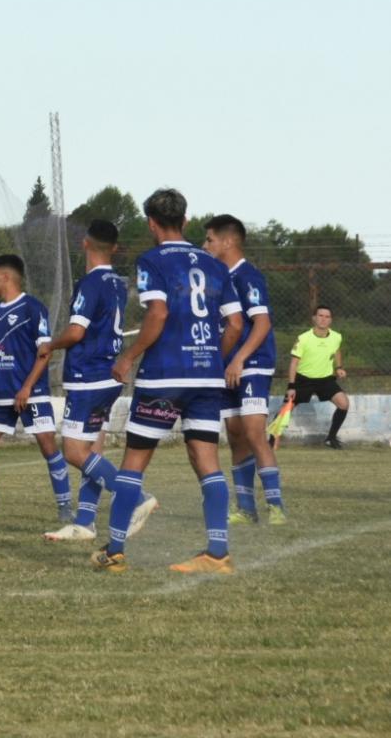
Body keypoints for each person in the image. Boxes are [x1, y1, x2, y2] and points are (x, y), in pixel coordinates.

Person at [93, 188, 243, 574]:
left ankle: (114, 551)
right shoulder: (214, 265)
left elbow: (157, 314)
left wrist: (128, 356)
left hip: (164, 375)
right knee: (206, 460)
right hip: (207, 378)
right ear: (187, 221)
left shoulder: (151, 261)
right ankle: (217, 553)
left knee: (135, 461)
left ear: (151, 223)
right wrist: (213, 360)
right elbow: (236, 325)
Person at [40, 220, 158, 541]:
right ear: (115, 248)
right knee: (93, 451)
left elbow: (76, 331)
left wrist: (50, 344)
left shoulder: (90, 284)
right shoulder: (117, 283)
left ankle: (137, 497)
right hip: (108, 376)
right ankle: (84, 523)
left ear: (85, 244)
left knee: (75, 453)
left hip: (87, 376)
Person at [0, 254, 73, 525]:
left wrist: (27, 388)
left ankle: (66, 507)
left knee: (47, 444)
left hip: (30, 391)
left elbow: (44, 353)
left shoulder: (33, 308)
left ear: (5, 277)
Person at [203, 214, 287, 524]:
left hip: (252, 364)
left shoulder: (247, 276)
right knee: (236, 435)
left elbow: (262, 323)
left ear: (227, 241)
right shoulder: (220, 278)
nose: (205, 245)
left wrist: (239, 359)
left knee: (253, 433)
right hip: (228, 367)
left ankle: (275, 506)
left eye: (209, 239)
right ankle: (245, 507)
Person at [285, 306, 349, 449]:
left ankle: (331, 439)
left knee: (343, 404)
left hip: (325, 379)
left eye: (327, 316)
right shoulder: (303, 338)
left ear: (330, 320)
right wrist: (291, 385)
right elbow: (294, 363)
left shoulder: (336, 336)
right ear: (314, 318)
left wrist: (338, 367)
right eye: (320, 315)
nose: (323, 319)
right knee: (286, 409)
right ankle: (270, 440)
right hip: (304, 379)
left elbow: (337, 350)